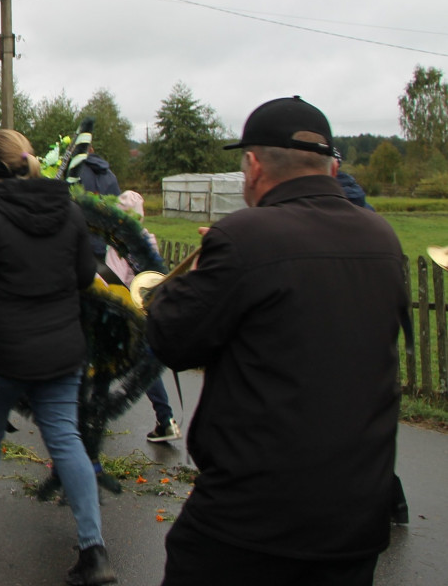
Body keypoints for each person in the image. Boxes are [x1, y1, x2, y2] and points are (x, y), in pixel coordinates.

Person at [147, 96, 408, 586]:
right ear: (330, 166)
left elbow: (171, 339)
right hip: (356, 515)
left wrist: (196, 275)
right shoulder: (382, 238)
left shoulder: (245, 235)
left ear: (253, 164)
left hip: (252, 520)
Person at [0, 129, 116, 586]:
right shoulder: (67, 210)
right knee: (66, 439)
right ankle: (94, 551)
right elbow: (83, 275)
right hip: (61, 353)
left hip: (2, 353)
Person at [102, 190, 181, 444]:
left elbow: (110, 280)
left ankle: (93, 417)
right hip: (146, 308)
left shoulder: (117, 245)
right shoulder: (149, 240)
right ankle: (165, 418)